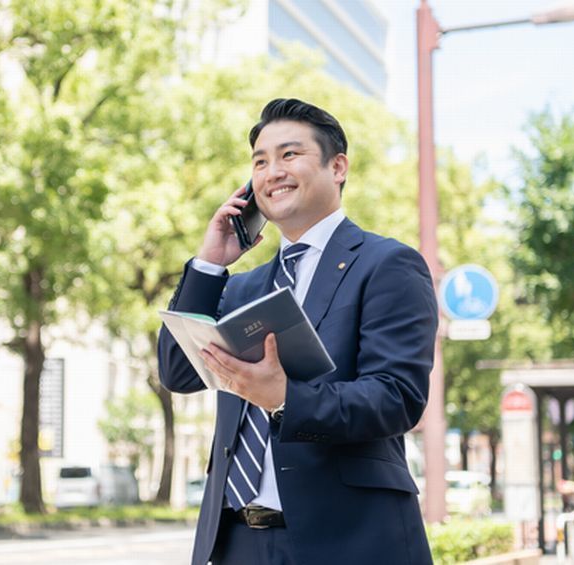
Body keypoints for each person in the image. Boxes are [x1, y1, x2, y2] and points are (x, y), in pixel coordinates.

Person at [158, 98, 438, 565]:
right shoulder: (241, 287)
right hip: (236, 540)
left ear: (338, 167)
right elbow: (178, 371)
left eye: (290, 155)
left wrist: (284, 398)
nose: (272, 172)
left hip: (348, 539)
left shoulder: (387, 265)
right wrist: (209, 264)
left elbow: (397, 397)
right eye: (260, 162)